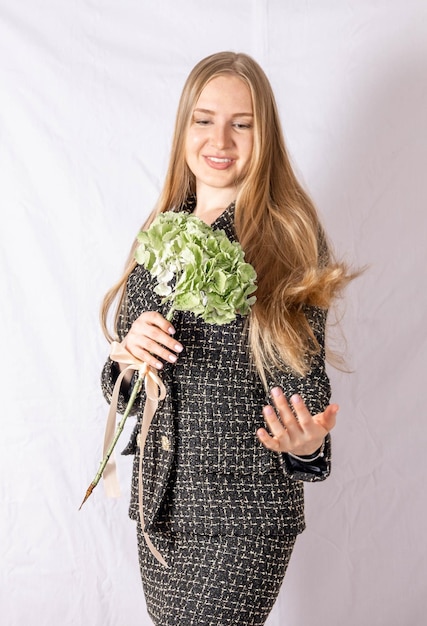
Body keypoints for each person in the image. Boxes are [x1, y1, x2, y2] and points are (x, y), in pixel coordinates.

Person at [100, 51, 353, 626]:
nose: (221, 138)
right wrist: (128, 358)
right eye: (205, 119)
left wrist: (308, 444)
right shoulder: (163, 227)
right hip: (160, 505)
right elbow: (127, 388)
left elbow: (302, 383)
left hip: (241, 514)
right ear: (184, 126)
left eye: (242, 123)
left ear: (265, 134)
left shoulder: (287, 235)